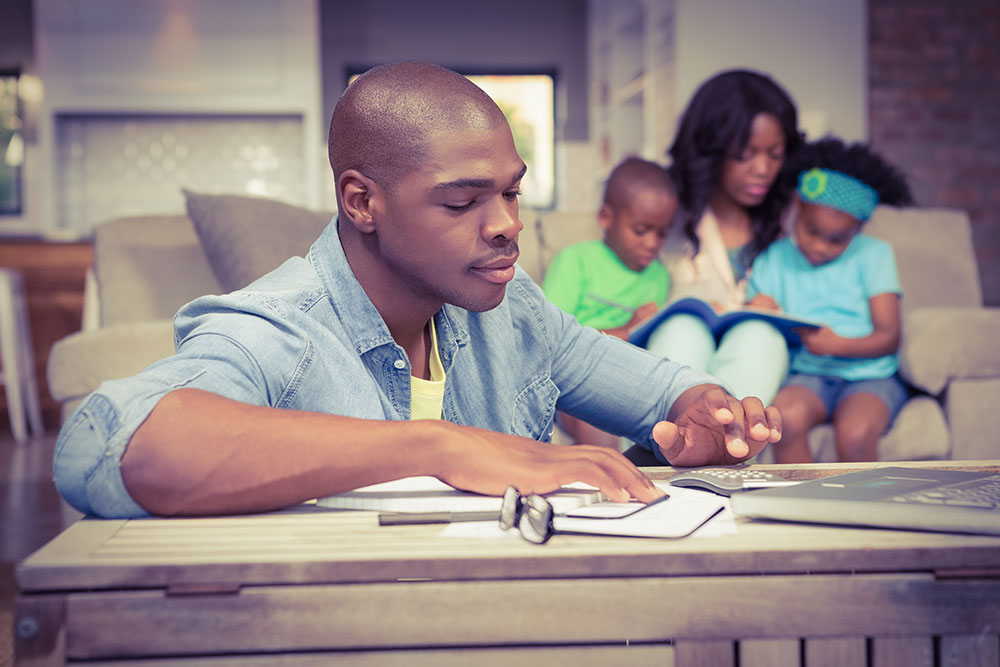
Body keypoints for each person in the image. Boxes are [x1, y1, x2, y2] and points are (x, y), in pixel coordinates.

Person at [52, 62, 781, 519]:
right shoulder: (283, 327)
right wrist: (438, 446)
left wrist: (707, 417)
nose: (506, 226)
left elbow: (662, 390)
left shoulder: (510, 304)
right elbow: (115, 446)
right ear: (362, 202)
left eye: (511, 193)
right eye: (462, 202)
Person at [746, 137, 914, 463]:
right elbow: (760, 325)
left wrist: (838, 345)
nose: (820, 247)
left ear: (859, 228)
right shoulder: (775, 258)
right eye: (811, 230)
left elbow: (889, 337)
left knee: (855, 432)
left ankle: (863, 514)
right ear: (797, 205)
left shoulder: (874, 255)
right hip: (807, 375)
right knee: (787, 417)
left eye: (837, 240)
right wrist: (759, 311)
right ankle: (799, 508)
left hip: (870, 376)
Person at [644, 69, 802, 405]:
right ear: (711, 150)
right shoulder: (664, 210)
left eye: (774, 154)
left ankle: (726, 446)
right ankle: (673, 442)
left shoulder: (802, 217)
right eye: (744, 155)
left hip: (763, 351)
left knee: (759, 335)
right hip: (681, 346)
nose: (762, 169)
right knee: (681, 330)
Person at [542, 156, 676, 448]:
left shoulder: (659, 276)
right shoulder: (575, 261)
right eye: (641, 230)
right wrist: (626, 331)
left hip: (632, 380)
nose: (652, 243)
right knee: (598, 424)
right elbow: (548, 341)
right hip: (572, 383)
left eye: (662, 233)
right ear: (606, 218)